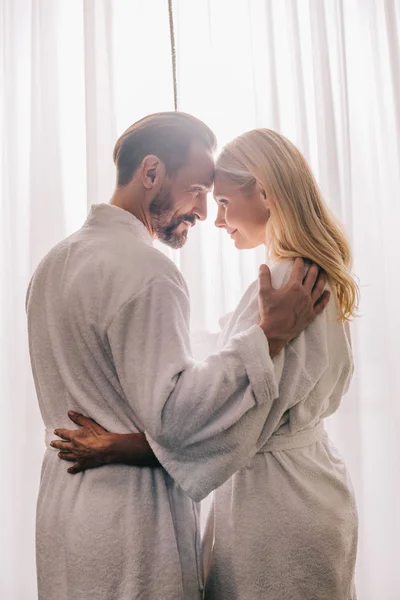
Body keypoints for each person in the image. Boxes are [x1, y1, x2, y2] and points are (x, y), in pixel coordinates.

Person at [27, 113, 328, 600]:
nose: (205, 213)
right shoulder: (148, 271)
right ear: (151, 173)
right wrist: (267, 338)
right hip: (129, 521)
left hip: (64, 510)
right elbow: (176, 418)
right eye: (197, 190)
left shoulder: (54, 263)